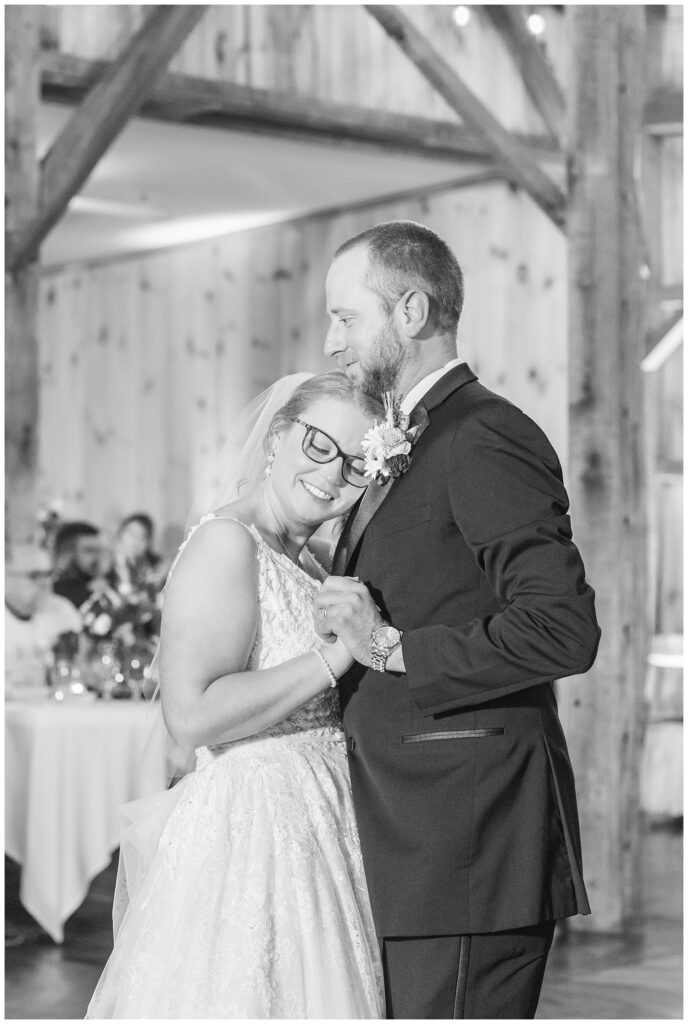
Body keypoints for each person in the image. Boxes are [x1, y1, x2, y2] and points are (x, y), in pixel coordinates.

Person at [315, 220, 601, 1019]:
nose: (332, 342)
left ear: (410, 310)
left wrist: (391, 647)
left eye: (345, 317)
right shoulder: (413, 438)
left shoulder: (484, 435)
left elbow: (561, 629)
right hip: (410, 833)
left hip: (468, 840)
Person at [86, 371, 385, 1019]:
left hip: (320, 821)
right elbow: (191, 716)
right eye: (319, 446)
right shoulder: (228, 542)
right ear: (278, 438)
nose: (333, 476)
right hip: (250, 833)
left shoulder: (309, 561)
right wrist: (334, 657)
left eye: (358, 463)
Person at [5, 544, 82, 695]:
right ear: (6, 578)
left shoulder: (62, 610)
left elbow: (81, 670)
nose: (45, 582)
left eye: (49, 574)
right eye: (34, 576)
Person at [52, 521, 105, 610]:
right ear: (66, 553)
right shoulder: (52, 593)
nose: (97, 557)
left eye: (99, 551)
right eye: (89, 550)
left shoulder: (100, 586)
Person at [107, 512, 163, 594]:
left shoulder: (153, 565)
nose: (135, 540)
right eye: (131, 533)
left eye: (142, 536)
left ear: (148, 542)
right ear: (120, 534)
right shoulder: (106, 565)